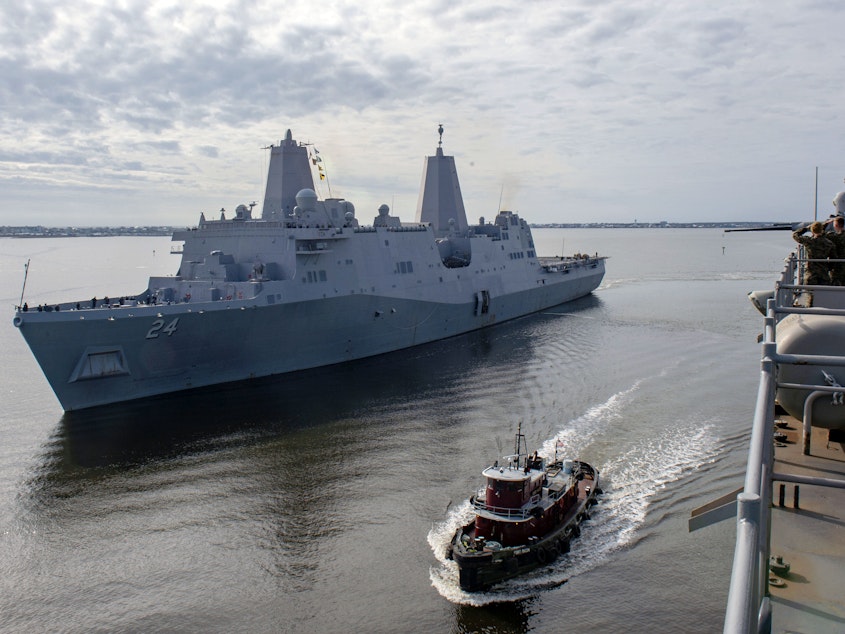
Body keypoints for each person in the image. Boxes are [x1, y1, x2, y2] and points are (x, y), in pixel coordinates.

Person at [793, 221, 834, 286]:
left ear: (812, 230)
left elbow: (795, 235)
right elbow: (833, 258)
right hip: (823, 274)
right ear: (821, 230)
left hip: (810, 274)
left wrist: (806, 229)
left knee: (811, 294)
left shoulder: (809, 241)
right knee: (824, 294)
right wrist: (828, 268)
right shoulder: (829, 243)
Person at [826, 216, 845, 285]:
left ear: (836, 225)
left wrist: (826, 223)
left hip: (837, 266)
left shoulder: (834, 237)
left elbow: (819, 233)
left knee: (836, 286)